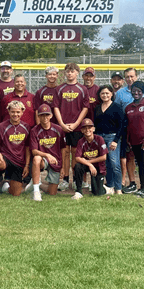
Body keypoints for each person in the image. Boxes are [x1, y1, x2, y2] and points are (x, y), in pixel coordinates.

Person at [114, 67, 144, 193]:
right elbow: (125, 120)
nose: (136, 93)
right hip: (132, 138)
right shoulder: (127, 105)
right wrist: (127, 139)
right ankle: (135, 185)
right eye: (127, 77)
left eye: (132, 76)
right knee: (134, 160)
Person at [52, 62, 89, 191]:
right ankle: (66, 179)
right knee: (65, 153)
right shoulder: (59, 89)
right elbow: (55, 107)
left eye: (72, 71)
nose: (69, 73)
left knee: (76, 153)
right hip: (62, 126)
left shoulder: (82, 89)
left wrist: (76, 124)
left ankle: (77, 179)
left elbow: (85, 108)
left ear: (77, 73)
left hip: (76, 127)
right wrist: (61, 124)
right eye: (67, 71)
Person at [0, 100, 31, 201]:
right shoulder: (1, 127)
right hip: (6, 159)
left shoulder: (26, 127)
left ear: (22, 112)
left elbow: (28, 147)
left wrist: (26, 165)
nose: (15, 114)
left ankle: (4, 186)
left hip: (19, 162)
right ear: (8, 111)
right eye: (13, 112)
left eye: (17, 112)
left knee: (16, 193)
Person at [93, 84, 125, 195]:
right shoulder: (97, 108)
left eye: (107, 93)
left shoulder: (116, 107)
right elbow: (95, 125)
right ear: (99, 95)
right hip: (100, 138)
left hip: (112, 137)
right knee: (106, 163)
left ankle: (118, 188)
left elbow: (122, 125)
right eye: (102, 93)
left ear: (111, 94)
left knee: (115, 163)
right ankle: (110, 186)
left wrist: (115, 141)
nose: (105, 95)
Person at [29, 104, 65, 201]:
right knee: (36, 158)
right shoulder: (34, 131)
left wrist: (63, 167)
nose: (45, 117)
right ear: (39, 116)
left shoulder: (58, 129)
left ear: (51, 115)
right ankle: (36, 192)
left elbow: (63, 149)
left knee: (52, 193)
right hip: (43, 159)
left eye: (47, 115)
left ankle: (37, 184)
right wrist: (47, 155)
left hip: (56, 160)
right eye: (42, 115)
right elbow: (34, 151)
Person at [72, 118, 108, 199]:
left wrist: (90, 162)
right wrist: (89, 164)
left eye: (89, 127)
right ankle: (78, 191)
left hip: (98, 166)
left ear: (93, 129)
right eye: (85, 128)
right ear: (82, 130)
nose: (87, 130)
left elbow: (104, 157)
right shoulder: (81, 141)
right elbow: (77, 158)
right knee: (77, 166)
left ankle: (105, 188)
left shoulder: (99, 139)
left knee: (98, 193)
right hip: (87, 165)